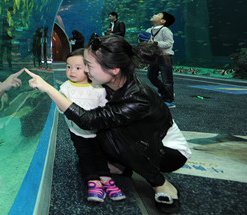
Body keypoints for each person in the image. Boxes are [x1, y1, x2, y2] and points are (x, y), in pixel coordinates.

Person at [25, 35, 189, 214]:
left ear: (113, 69)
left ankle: (160, 183)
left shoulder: (139, 98)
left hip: (167, 152)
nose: (86, 71)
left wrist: (49, 89)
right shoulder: (112, 83)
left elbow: (89, 120)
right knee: (102, 135)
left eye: (89, 65)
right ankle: (122, 165)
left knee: (111, 135)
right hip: (143, 140)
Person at [59, 49, 126, 203]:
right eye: (68, 67)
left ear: (89, 68)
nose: (71, 71)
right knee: (84, 154)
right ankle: (92, 180)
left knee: (100, 153)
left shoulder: (98, 88)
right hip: (76, 132)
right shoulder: (65, 88)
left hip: (98, 132)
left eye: (78, 68)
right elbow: (60, 106)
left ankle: (105, 176)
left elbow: (105, 109)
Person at [145, 11, 176, 108]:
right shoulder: (149, 30)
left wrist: (155, 43)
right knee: (151, 76)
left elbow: (169, 43)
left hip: (165, 57)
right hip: (154, 57)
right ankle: (164, 92)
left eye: (158, 15)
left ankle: (169, 100)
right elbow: (145, 41)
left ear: (162, 21)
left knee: (167, 79)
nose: (154, 14)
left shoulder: (165, 30)